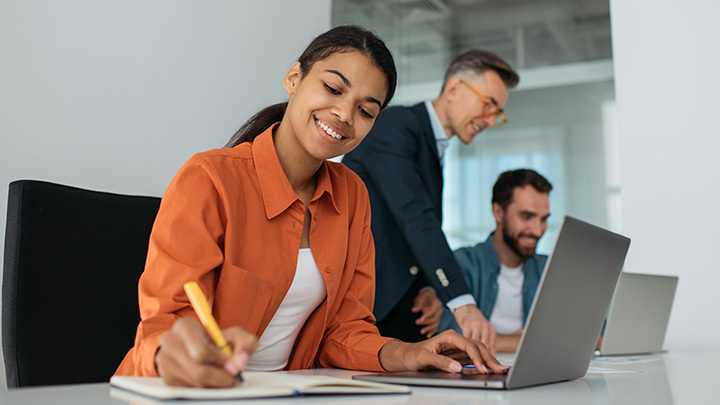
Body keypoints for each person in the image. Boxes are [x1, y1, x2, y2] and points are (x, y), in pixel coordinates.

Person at [114, 25, 507, 388]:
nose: (344, 114)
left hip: (281, 392)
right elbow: (165, 324)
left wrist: (408, 352)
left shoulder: (352, 196)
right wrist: (175, 352)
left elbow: (345, 331)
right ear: (294, 78)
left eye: (366, 110)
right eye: (334, 89)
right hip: (181, 392)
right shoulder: (210, 178)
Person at [342, 49, 520, 347]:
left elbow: (403, 230)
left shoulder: (431, 144)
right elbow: (415, 217)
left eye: (498, 114)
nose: (491, 121)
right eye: (488, 105)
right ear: (454, 89)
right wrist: (463, 304)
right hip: (363, 307)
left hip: (402, 310)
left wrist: (428, 288)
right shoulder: (396, 125)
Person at [438, 169, 552, 352]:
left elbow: (594, 335)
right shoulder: (459, 264)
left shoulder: (550, 269)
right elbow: (449, 339)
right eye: (527, 217)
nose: (538, 231)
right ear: (498, 212)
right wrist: (527, 342)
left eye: (544, 219)